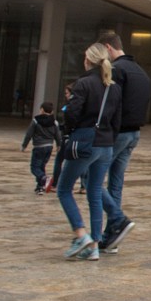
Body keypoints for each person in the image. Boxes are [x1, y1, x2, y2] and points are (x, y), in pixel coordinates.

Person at [57, 43, 121, 261]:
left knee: (64, 188)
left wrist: (68, 131)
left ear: (89, 60)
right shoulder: (113, 87)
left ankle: (80, 234)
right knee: (94, 191)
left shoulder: (83, 83)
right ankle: (94, 245)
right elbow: (117, 120)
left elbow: (72, 114)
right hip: (106, 144)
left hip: (86, 141)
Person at [95, 31, 150, 253]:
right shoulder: (141, 71)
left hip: (117, 134)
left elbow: (110, 104)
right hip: (134, 134)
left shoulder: (118, 70)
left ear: (108, 48)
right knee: (115, 184)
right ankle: (112, 237)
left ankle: (117, 220)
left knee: (92, 178)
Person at [21, 101, 62, 194]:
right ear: (52, 112)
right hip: (49, 147)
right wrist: (59, 145)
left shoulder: (36, 121)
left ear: (42, 110)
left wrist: (24, 145)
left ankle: (44, 179)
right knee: (41, 166)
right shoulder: (54, 122)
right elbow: (58, 135)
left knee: (34, 167)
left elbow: (29, 134)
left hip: (39, 147)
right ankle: (40, 187)